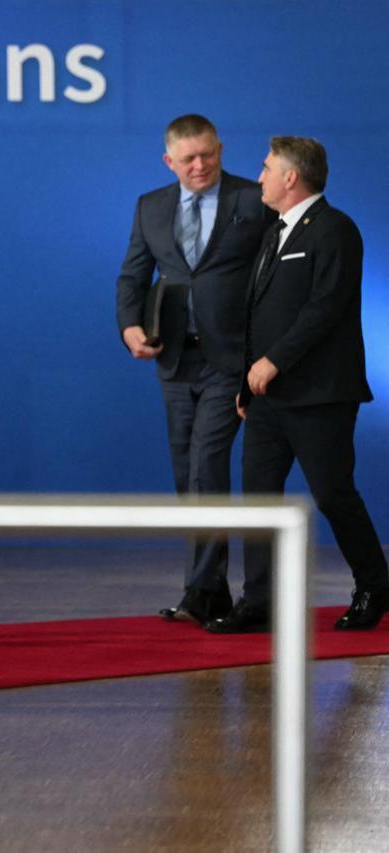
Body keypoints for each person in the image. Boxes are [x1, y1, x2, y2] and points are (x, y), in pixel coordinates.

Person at [210, 136, 388, 633]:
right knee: (260, 500)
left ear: (291, 177)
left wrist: (274, 362)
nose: (260, 176)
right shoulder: (274, 232)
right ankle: (260, 601)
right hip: (268, 397)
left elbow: (324, 308)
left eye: (267, 168)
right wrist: (249, 381)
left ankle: (374, 586)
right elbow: (259, 315)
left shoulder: (335, 230)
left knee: (333, 494)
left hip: (319, 396)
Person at [115, 114, 274, 627]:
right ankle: (210, 591)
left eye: (209, 154)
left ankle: (204, 591)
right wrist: (129, 326)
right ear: (170, 162)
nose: (201, 165)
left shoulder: (255, 200)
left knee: (207, 468)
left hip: (233, 361)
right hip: (175, 359)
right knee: (187, 473)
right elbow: (133, 275)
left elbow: (276, 275)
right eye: (189, 159)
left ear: (221, 150)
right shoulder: (151, 207)